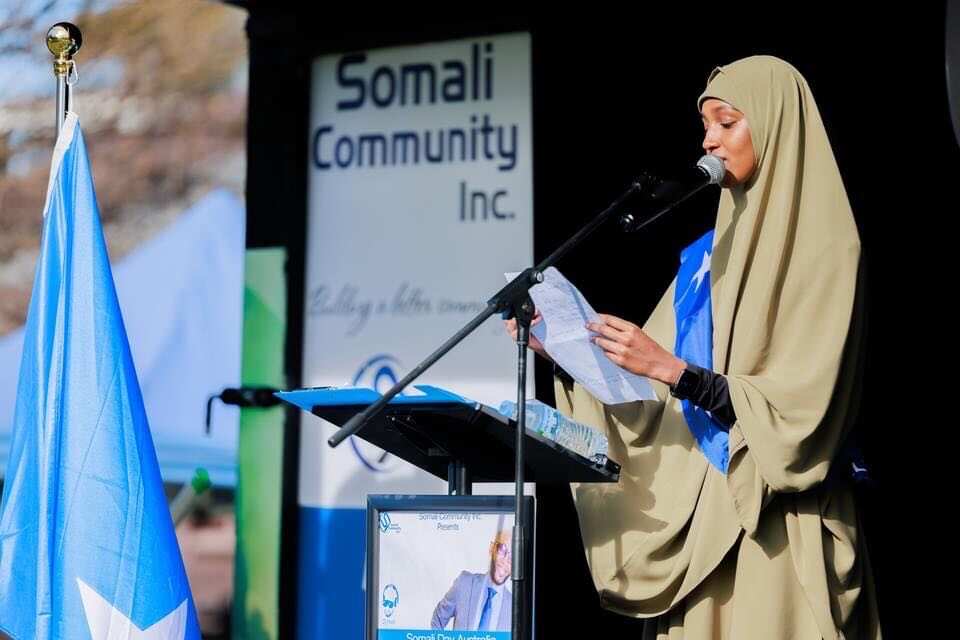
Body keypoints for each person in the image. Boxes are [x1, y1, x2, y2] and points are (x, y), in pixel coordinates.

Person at [506, 55, 880, 638]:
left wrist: (675, 371)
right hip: (703, 521)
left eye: (727, 122)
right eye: (706, 124)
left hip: (778, 530)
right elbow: (649, 392)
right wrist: (560, 348)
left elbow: (803, 417)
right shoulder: (706, 256)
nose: (709, 139)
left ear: (779, 126)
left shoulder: (829, 251)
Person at [430, 530, 512, 631]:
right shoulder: (464, 583)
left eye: (513, 556)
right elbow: (437, 620)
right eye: (502, 549)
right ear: (492, 548)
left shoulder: (514, 607)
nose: (505, 560)